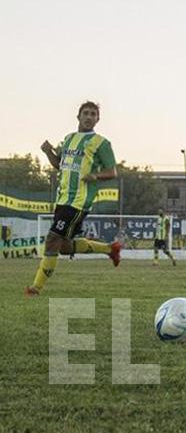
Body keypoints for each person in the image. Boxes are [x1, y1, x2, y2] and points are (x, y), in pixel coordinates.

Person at [24, 101, 122, 297]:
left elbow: (112, 171)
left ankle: (35, 288)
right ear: (78, 116)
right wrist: (48, 152)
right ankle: (110, 249)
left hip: (79, 200)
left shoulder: (101, 143)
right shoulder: (69, 139)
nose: (89, 117)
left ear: (97, 120)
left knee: (52, 239)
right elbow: (60, 165)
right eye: (85, 113)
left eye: (93, 114)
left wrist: (95, 176)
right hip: (63, 199)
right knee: (64, 247)